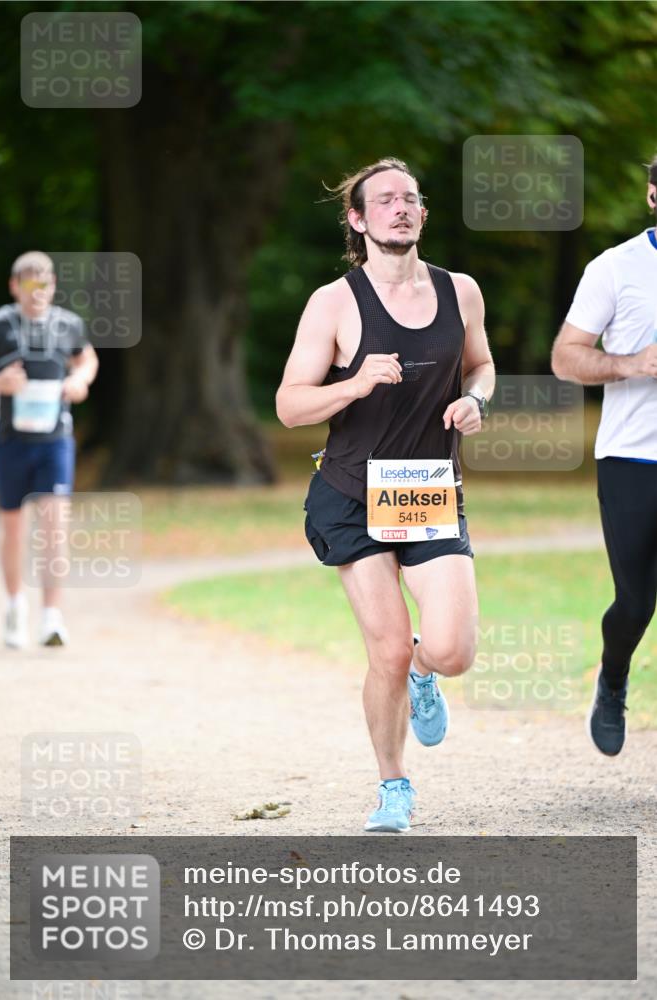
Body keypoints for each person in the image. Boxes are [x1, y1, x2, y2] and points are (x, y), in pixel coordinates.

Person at [276, 158, 494, 832]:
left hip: (427, 492)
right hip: (350, 493)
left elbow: (480, 364)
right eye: (385, 200)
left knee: (452, 650)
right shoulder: (333, 303)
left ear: (421, 215)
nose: (400, 208)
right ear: (358, 219)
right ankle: (392, 788)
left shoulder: (460, 291)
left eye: (411, 199)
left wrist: (474, 400)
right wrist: (352, 383)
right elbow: (288, 405)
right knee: (387, 651)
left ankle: (426, 678)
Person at [552, 155, 657, 756]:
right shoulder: (614, 269)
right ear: (651, 195)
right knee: (637, 603)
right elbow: (566, 358)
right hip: (633, 460)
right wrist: (631, 364)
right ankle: (613, 676)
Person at [0, 251, 98, 648]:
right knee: (14, 528)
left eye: (45, 284)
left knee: (54, 526)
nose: (38, 292)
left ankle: (52, 616)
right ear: (15, 286)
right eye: (30, 284)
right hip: (9, 441)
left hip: (55, 441)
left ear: (53, 285)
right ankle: (16, 606)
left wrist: (80, 381)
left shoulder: (67, 324)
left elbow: (87, 359)